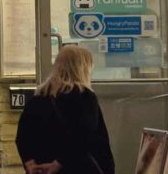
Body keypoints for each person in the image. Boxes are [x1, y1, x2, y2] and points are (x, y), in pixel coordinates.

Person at [15, 45, 114, 174]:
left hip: (41, 169)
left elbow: (23, 136)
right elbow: (84, 136)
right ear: (82, 68)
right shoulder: (84, 97)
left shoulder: (39, 97)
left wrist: (30, 163)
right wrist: (59, 163)